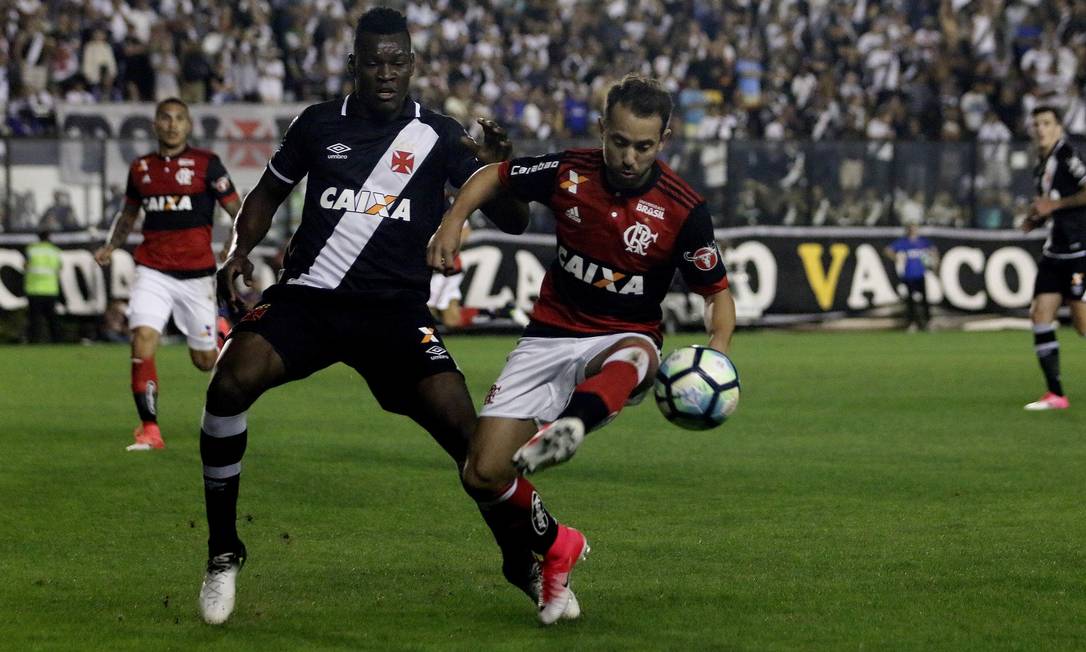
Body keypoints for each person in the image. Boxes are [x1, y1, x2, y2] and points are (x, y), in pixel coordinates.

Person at [196, 8, 528, 626]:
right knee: (229, 382)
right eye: (373, 61)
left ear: (412, 64)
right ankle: (222, 551)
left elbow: (514, 221)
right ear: (353, 64)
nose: (385, 72)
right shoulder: (317, 124)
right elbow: (266, 195)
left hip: (395, 313)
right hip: (309, 300)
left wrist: (501, 172)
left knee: (469, 438)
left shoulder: (441, 135)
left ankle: (522, 558)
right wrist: (239, 247)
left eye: (397, 61)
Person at [428, 74, 736, 624]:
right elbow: (494, 176)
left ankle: (572, 425)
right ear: (602, 130)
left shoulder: (684, 210)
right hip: (549, 334)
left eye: (643, 146)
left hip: (622, 339)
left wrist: (718, 350)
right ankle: (558, 543)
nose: (627, 156)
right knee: (482, 473)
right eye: (618, 141)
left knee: (640, 356)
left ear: (662, 140)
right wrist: (454, 219)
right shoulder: (569, 172)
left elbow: (717, 293)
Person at [94, 97, 241, 450]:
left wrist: (235, 247)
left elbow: (237, 210)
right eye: (165, 118)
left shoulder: (207, 164)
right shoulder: (141, 168)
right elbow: (129, 215)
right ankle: (149, 429)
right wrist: (111, 246)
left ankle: (221, 331)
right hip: (153, 272)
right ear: (155, 125)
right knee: (142, 339)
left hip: (197, 276)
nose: (172, 124)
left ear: (188, 126)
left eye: (179, 119)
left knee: (204, 362)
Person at [1020, 106, 1086, 411]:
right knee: (1040, 315)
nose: (1040, 129)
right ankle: (1056, 394)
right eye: (1036, 124)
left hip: (1079, 251)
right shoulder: (1041, 165)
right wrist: (1036, 219)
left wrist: (1054, 205)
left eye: (1047, 123)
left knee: (1082, 325)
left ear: (1059, 127)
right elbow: (1049, 207)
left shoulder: (1067, 154)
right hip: (1054, 250)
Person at [883, 223, 938, 332]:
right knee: (910, 302)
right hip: (909, 275)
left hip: (920, 275)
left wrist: (934, 261)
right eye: (911, 229)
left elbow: (933, 250)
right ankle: (913, 323)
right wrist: (896, 258)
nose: (913, 231)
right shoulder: (904, 242)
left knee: (924, 300)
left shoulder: (922, 242)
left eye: (915, 229)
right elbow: (888, 250)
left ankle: (928, 322)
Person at [24, 227, 63, 343]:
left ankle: (34, 340)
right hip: (50, 289)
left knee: (34, 318)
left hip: (34, 289)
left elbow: (25, 265)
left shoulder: (31, 249)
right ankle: (56, 341)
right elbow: (60, 267)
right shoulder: (55, 250)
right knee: (52, 319)